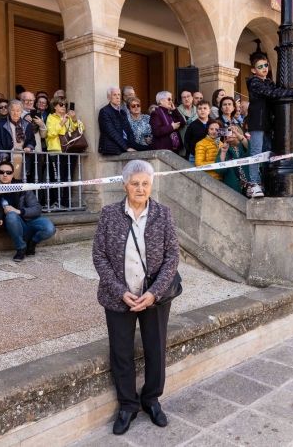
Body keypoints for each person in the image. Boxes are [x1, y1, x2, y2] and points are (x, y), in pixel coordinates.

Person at [92, 160, 179, 436]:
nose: (140, 189)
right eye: (134, 183)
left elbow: (172, 257)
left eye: (145, 183)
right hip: (119, 297)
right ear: (124, 185)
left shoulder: (163, 214)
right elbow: (99, 256)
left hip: (154, 297)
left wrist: (154, 293)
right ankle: (128, 405)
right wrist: (120, 291)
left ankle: (151, 399)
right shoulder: (109, 214)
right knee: (121, 353)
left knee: (156, 349)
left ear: (151, 185)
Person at [246, 52, 293, 196]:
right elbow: (271, 94)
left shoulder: (268, 82)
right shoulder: (255, 82)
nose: (264, 68)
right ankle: (254, 183)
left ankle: (266, 181)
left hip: (267, 123)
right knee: (256, 153)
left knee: (267, 153)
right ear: (254, 70)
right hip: (257, 123)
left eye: (266, 65)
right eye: (260, 66)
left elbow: (278, 90)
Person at [0, 161, 56, 261]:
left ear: (13, 175)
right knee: (11, 215)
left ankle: (32, 242)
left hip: (30, 221)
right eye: (1, 172)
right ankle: (21, 248)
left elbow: (37, 209)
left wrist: (19, 211)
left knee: (50, 228)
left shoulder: (22, 187)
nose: (5, 175)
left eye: (8, 172)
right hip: (14, 224)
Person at [46, 95, 81, 208]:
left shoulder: (68, 117)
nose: (64, 107)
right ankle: (57, 201)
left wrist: (74, 119)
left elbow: (80, 128)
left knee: (68, 178)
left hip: (69, 151)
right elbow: (50, 133)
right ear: (54, 106)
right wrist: (62, 122)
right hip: (56, 151)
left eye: (65, 105)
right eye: (61, 104)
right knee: (57, 178)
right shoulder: (51, 117)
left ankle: (67, 202)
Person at [0, 99, 35, 179]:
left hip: (23, 157)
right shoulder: (0, 124)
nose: (15, 113)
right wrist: (3, 154)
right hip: (7, 157)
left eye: (18, 110)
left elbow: (32, 140)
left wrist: (29, 147)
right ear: (9, 111)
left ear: (21, 111)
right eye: (13, 110)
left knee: (22, 181)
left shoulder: (27, 124)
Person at [98, 86, 138, 155]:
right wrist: (126, 148)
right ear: (108, 98)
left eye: (119, 94)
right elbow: (112, 133)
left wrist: (132, 144)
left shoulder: (122, 112)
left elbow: (129, 130)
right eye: (114, 95)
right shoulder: (104, 111)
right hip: (112, 148)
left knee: (148, 148)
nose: (117, 97)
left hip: (124, 144)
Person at [214, 125, 251, 194]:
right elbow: (220, 170)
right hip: (233, 188)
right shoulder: (223, 149)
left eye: (233, 132)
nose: (230, 134)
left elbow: (251, 149)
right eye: (228, 132)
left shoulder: (244, 146)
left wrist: (238, 136)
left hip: (250, 187)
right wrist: (223, 152)